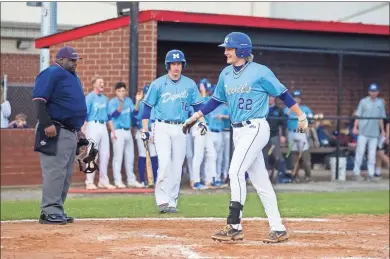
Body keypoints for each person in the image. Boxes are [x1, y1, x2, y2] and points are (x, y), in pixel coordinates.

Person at [182, 32, 309, 243]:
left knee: (235, 171)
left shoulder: (260, 72)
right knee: (260, 181)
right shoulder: (226, 74)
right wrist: (196, 116)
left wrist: (301, 115)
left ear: (242, 50)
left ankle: (234, 226)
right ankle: (278, 228)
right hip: (238, 131)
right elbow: (215, 101)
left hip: (256, 127)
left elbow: (282, 94)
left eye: (229, 49)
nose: (225, 52)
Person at [141, 49, 205, 213]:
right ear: (168, 65)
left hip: (182, 126)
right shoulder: (158, 84)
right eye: (173, 64)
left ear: (182, 65)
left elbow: (198, 107)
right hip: (161, 126)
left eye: (179, 64)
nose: (176, 67)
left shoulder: (190, 84)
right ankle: (162, 200)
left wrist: (203, 123)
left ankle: (172, 201)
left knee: (177, 166)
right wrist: (145, 129)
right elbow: (147, 108)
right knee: (164, 164)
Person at [32, 46, 87, 224]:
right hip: (55, 129)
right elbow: (39, 100)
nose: (75, 62)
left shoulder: (73, 76)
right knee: (54, 172)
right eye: (71, 60)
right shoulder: (51, 72)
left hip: (69, 131)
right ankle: (49, 211)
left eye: (76, 60)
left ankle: (57, 209)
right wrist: (47, 123)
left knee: (65, 174)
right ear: (61, 59)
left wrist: (78, 131)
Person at [108, 82, 144, 188]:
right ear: (115, 92)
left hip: (127, 131)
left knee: (130, 156)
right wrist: (121, 103)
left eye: (123, 91)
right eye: (119, 91)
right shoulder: (112, 102)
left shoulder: (128, 101)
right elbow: (115, 114)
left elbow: (135, 113)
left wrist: (137, 101)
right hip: (117, 131)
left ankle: (131, 179)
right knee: (118, 157)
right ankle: (118, 180)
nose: (121, 93)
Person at [83, 76, 116, 190]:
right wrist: (83, 129)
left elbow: (109, 117)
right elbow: (85, 114)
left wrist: (113, 131)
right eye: (100, 82)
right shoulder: (90, 97)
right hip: (93, 124)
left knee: (105, 154)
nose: (103, 84)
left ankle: (103, 181)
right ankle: (89, 181)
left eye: (103, 82)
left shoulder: (105, 99)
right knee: (92, 153)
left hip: (103, 126)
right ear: (94, 84)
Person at [353, 83, 387, 181]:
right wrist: (355, 127)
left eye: (375, 91)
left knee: (372, 154)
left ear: (378, 92)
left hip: (374, 132)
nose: (373, 93)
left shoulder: (380, 103)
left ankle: (371, 174)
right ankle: (356, 173)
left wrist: (383, 130)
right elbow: (358, 115)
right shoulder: (363, 102)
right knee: (360, 152)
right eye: (372, 91)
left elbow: (381, 118)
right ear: (369, 92)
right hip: (363, 131)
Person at [191, 78, 219, 189]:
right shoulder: (196, 98)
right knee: (198, 155)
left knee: (212, 154)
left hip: (207, 127)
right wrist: (202, 93)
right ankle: (196, 181)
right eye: (205, 89)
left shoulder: (207, 98)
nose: (207, 91)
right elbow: (199, 110)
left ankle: (211, 180)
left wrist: (204, 94)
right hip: (198, 126)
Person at [284, 90, 314, 183]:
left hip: (301, 131)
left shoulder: (305, 108)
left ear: (300, 99)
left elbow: (312, 120)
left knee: (305, 156)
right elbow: (284, 118)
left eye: (298, 98)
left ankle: (308, 177)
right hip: (291, 132)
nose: (296, 100)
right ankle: (295, 177)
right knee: (294, 156)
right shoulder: (286, 108)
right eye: (294, 98)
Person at [134, 84, 159, 186]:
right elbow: (134, 118)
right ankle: (142, 180)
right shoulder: (141, 103)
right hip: (142, 131)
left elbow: (156, 120)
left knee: (154, 156)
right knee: (143, 156)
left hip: (153, 131)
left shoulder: (155, 104)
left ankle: (155, 180)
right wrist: (144, 131)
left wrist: (154, 133)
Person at [207, 85, 228, 187]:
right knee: (211, 157)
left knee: (219, 157)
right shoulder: (209, 105)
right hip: (210, 133)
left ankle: (218, 178)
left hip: (219, 133)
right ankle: (210, 179)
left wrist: (223, 116)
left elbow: (231, 116)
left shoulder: (223, 107)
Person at [262, 96, 287, 183]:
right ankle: (265, 176)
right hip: (263, 136)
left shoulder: (279, 110)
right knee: (264, 156)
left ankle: (277, 175)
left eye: (272, 98)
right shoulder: (262, 108)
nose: (270, 99)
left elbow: (283, 124)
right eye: (268, 98)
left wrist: (283, 135)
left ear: (275, 99)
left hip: (274, 135)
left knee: (277, 156)